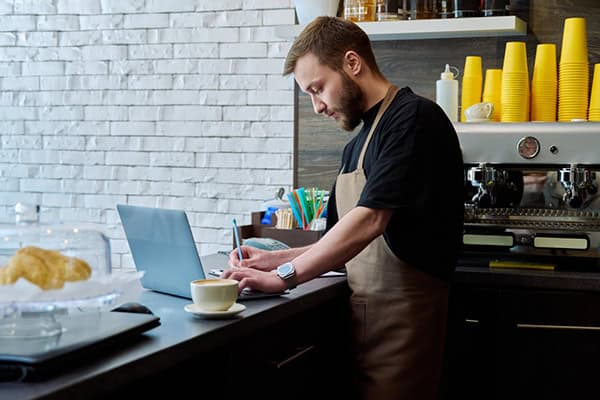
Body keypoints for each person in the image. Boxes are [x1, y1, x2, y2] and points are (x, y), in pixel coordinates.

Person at [222, 16, 464, 400]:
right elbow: (341, 245)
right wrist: (274, 257)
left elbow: (370, 220)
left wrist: (284, 276)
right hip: (361, 325)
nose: (317, 106)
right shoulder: (357, 145)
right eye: (309, 95)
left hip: (405, 326)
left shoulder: (413, 119)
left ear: (353, 63)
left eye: (318, 89)